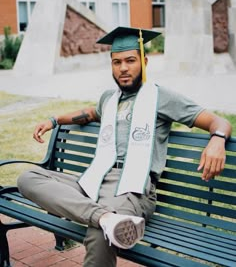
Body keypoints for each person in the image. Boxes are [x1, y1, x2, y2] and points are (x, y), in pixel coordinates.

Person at [17, 26, 232, 267]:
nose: (123, 68)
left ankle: (105, 221)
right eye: (116, 62)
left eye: (130, 60)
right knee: (28, 178)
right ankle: (106, 217)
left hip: (134, 188)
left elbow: (217, 121)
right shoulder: (109, 99)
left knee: (100, 235)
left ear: (144, 61)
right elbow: (87, 113)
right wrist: (53, 120)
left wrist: (217, 140)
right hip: (95, 180)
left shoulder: (162, 97)